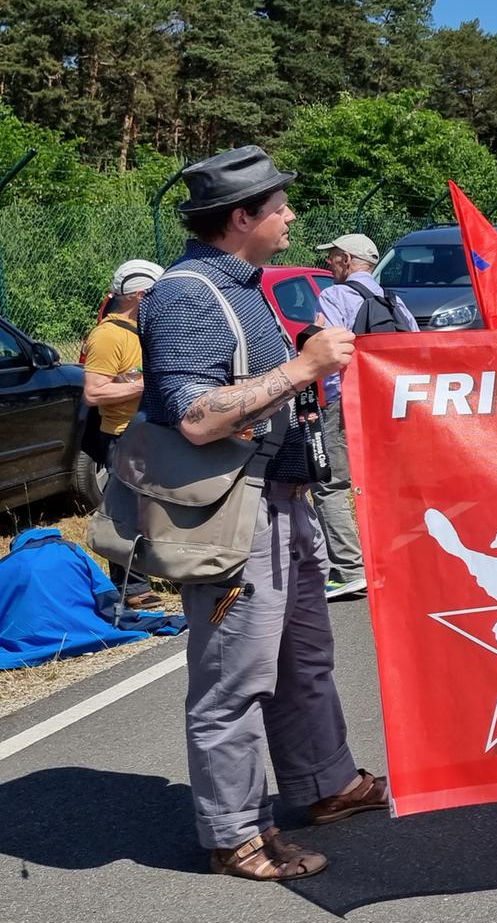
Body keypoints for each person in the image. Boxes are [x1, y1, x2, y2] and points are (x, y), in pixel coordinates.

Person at [140, 145, 386, 880]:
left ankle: (326, 785)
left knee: (304, 660)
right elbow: (193, 416)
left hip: (283, 505)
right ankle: (234, 834)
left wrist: (300, 362)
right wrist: (302, 367)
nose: (291, 218)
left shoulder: (241, 286)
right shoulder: (187, 293)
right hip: (234, 519)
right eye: (279, 208)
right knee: (235, 679)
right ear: (241, 217)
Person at [311, 232, 417, 600]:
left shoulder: (333, 296)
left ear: (346, 260)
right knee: (383, 482)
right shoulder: (394, 300)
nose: (329, 263)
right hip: (388, 401)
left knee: (331, 484)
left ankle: (350, 569)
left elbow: (328, 350)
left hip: (346, 399)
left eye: (333, 257)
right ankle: (396, 560)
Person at [81, 258, 164, 609]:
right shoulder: (108, 336)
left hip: (154, 433)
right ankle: (131, 587)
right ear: (140, 295)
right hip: (122, 436)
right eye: (158, 293)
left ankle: (163, 569)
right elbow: (94, 393)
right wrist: (148, 385)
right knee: (125, 512)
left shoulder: (145, 329)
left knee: (157, 509)